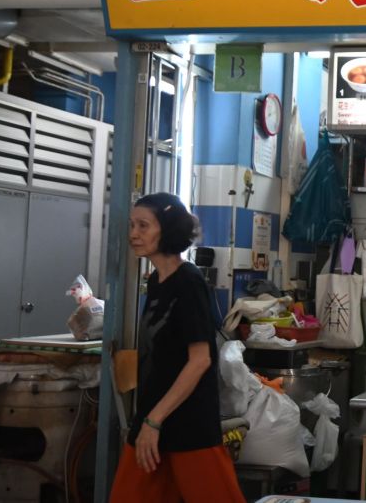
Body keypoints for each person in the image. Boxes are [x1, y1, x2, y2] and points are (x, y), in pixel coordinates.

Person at [110, 193, 243, 502]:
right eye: (132, 225)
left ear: (168, 230)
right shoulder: (156, 282)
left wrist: (154, 420)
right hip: (151, 421)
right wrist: (150, 421)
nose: (133, 234)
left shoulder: (189, 283)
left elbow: (199, 361)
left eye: (143, 225)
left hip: (189, 427)